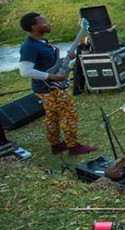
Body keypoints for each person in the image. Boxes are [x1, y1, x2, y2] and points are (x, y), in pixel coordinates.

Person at [18, 13, 96, 156]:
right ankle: (74, 147)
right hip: (50, 88)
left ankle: (56, 145)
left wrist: (65, 59)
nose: (47, 23)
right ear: (34, 26)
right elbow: (25, 71)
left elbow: (48, 63)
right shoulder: (29, 46)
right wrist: (52, 76)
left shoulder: (42, 42)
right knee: (70, 114)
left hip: (46, 88)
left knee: (52, 116)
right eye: (43, 21)